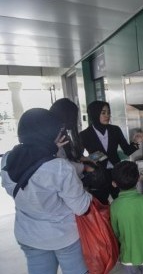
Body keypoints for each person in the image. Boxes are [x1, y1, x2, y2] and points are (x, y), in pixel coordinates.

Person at [1, 108, 92, 274]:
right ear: (47, 132)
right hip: (63, 236)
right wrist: (87, 192)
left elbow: (19, 187)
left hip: (28, 234)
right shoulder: (59, 167)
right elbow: (81, 207)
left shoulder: (8, 159)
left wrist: (50, 148)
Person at [79, 100, 143, 204]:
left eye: (108, 112)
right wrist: (91, 158)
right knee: (101, 207)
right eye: (103, 113)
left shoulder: (115, 130)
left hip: (116, 173)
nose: (107, 115)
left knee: (122, 203)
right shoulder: (84, 134)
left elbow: (127, 150)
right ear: (94, 113)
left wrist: (136, 142)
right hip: (98, 175)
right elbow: (79, 157)